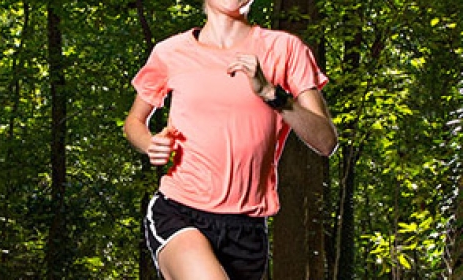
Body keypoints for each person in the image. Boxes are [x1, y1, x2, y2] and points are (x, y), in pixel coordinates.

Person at [123, 0, 338, 279]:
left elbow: (325, 141)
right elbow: (134, 122)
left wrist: (273, 95)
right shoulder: (170, 52)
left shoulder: (285, 48)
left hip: (247, 231)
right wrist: (150, 144)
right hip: (180, 211)